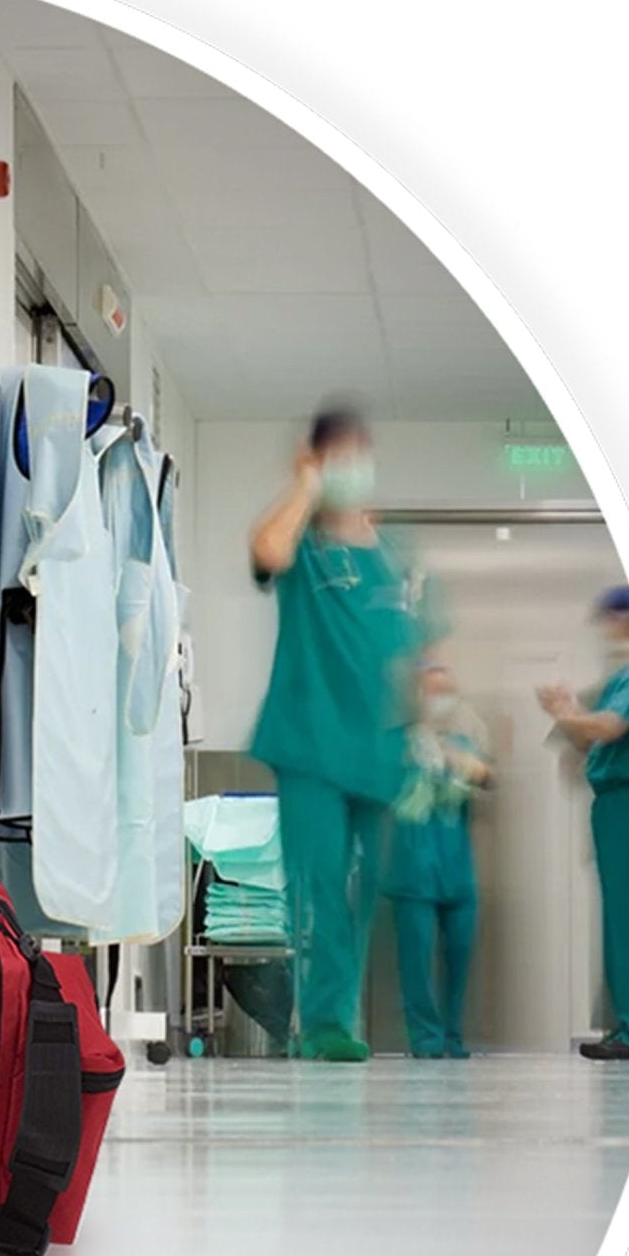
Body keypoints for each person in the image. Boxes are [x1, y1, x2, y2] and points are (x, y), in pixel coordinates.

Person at [248, 407, 431, 1061]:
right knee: (320, 885)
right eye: (341, 455)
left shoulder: (391, 555)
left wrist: (426, 732)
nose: (356, 465)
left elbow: (414, 653)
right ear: (317, 461)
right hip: (311, 748)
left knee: (363, 896)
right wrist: (304, 487)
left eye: (363, 451)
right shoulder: (300, 544)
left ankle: (335, 1014)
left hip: (379, 754)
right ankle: (324, 1024)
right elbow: (265, 550)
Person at [537, 585, 629, 1060]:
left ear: (624, 619)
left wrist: (564, 711)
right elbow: (596, 739)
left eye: (608, 621)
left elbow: (610, 728)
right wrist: (575, 722)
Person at [385, 662, 492, 1058]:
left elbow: (485, 775)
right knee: (416, 963)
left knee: (460, 957)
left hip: (458, 873)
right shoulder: (396, 743)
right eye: (432, 690)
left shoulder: (464, 743)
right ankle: (426, 1039)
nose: (440, 698)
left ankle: (453, 1036)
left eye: (447, 690)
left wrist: (454, 756)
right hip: (412, 871)